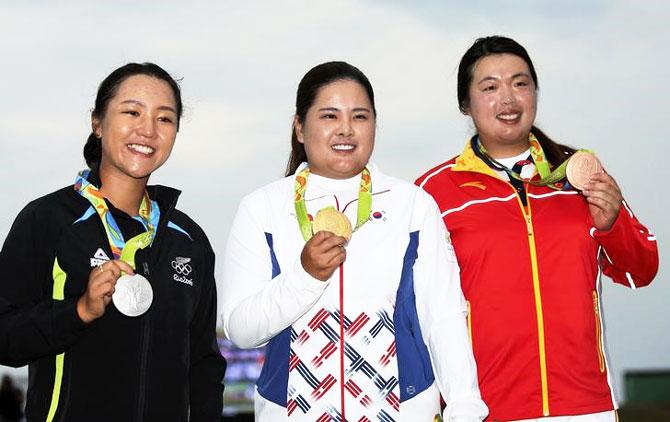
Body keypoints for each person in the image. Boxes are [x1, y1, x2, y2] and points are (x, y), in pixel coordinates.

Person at [219, 61, 487, 421]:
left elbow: (443, 317)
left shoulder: (412, 205)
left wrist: (465, 407)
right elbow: (240, 330)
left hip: (404, 410)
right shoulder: (261, 208)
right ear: (299, 127)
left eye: (360, 117)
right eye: (329, 116)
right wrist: (305, 276)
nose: (345, 129)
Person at [416, 36, 659, 421]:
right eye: (490, 87)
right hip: (485, 409)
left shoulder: (582, 173)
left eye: (520, 83)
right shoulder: (433, 193)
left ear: (535, 92)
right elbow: (415, 310)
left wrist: (611, 226)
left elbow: (641, 269)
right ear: (465, 103)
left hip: (586, 407)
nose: (508, 99)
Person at [0, 63, 226, 421]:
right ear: (97, 123)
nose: (148, 129)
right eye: (132, 112)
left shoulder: (190, 241)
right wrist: (80, 311)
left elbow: (204, 365)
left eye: (164, 119)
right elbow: (5, 338)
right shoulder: (48, 220)